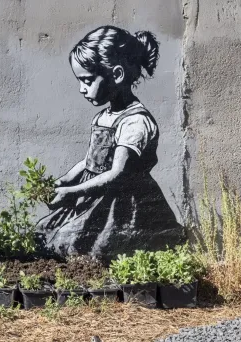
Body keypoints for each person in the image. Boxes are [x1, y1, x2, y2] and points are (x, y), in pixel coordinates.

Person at [36, 26, 186, 261]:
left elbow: (117, 174)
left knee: (102, 248)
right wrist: (64, 180)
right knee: (51, 236)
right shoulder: (103, 117)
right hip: (93, 194)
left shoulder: (135, 121)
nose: (81, 89)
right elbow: (90, 161)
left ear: (117, 75)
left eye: (87, 80)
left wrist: (71, 192)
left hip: (122, 204)